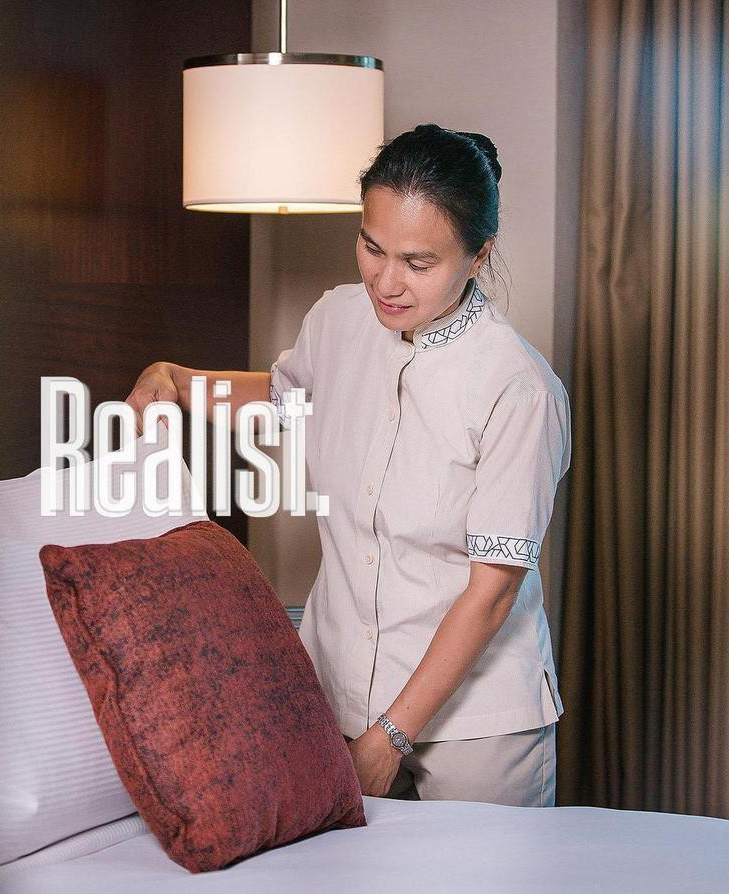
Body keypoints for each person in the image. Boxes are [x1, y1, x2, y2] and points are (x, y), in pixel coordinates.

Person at [125, 124, 570, 807]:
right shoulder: (338, 317)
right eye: (371, 246)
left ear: (479, 255)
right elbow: (283, 398)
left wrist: (388, 738)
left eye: (418, 263)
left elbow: (492, 592)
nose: (386, 282)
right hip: (339, 689)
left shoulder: (517, 388)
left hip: (480, 724)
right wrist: (177, 380)